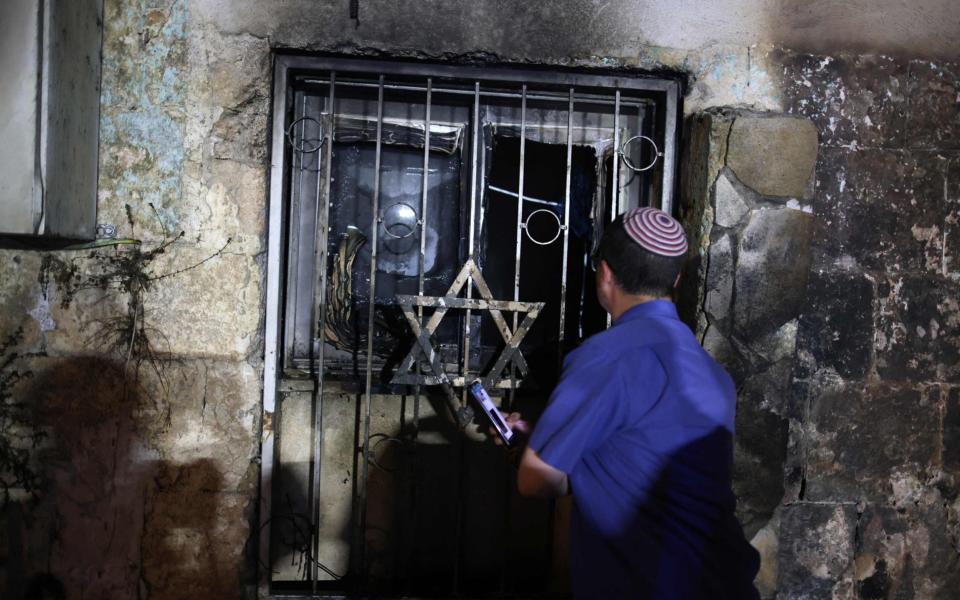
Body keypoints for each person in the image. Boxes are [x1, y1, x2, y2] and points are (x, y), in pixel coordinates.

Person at [505, 207, 760, 599]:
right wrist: (552, 440)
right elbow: (639, 463)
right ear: (675, 279)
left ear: (605, 273)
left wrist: (537, 454)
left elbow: (535, 481)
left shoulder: (605, 356)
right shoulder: (713, 373)